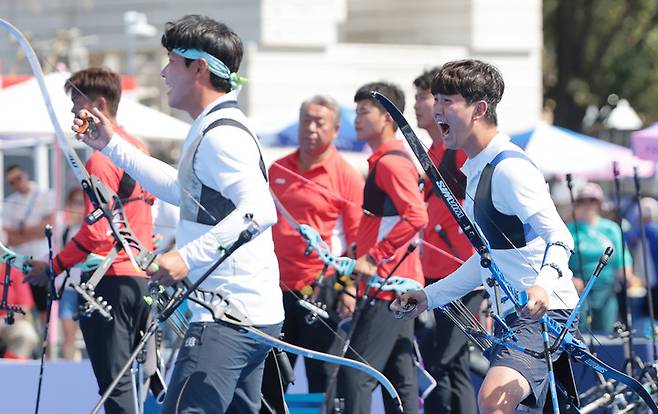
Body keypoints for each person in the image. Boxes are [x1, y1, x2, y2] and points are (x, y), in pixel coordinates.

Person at [72, 15, 283, 414]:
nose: (164, 71)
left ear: (198, 67)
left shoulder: (221, 135)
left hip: (228, 320)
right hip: (245, 316)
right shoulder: (215, 126)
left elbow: (259, 210)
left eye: (171, 61)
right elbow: (182, 191)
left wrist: (186, 257)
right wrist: (110, 144)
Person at [392, 59, 580, 414]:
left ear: (479, 109)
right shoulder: (476, 169)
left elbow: (560, 236)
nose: (438, 111)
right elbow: (486, 262)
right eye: (436, 100)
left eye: (448, 102)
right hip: (514, 315)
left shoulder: (509, 168)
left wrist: (541, 286)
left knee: (493, 399)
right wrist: (427, 296)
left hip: (545, 314)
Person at [27, 67, 155, 414]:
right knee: (132, 380)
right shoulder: (137, 147)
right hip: (141, 282)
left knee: (116, 384)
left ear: (98, 105)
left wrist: (53, 267)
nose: (72, 115)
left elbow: (98, 233)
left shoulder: (102, 159)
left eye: (76, 106)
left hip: (110, 283)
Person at [262, 95, 364, 406]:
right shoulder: (279, 168)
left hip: (322, 288)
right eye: (305, 120)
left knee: (323, 378)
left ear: (335, 130)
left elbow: (359, 240)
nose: (310, 128)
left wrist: (349, 290)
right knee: (271, 377)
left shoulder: (346, 175)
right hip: (275, 288)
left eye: (319, 122)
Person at [333, 81, 427, 414]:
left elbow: (417, 216)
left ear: (388, 117)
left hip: (389, 287)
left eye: (363, 111)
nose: (355, 119)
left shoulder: (391, 162)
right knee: (400, 378)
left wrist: (372, 258)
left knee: (356, 374)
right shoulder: (385, 160)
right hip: (394, 285)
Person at [413, 67, 478, 413]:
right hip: (436, 273)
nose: (422, 106)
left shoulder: (459, 153)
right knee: (449, 367)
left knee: (444, 362)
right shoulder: (433, 153)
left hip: (462, 273)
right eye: (427, 97)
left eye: (432, 98)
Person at [568, 182, 633, 333]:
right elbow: (560, 260)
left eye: (592, 200)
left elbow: (623, 257)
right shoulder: (570, 229)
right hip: (579, 291)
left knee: (606, 332)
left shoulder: (611, 228)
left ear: (599, 203)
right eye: (582, 200)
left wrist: (626, 274)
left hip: (606, 289)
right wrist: (570, 279)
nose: (587, 204)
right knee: (581, 333)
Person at [3, 165, 55, 326]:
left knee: (45, 307)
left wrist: (22, 232)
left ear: (26, 175)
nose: (17, 183)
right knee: (27, 306)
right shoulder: (10, 202)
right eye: (11, 182)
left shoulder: (46, 195)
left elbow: (49, 226)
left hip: (43, 259)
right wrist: (36, 230)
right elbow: (8, 236)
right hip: (22, 263)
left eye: (18, 178)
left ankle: (48, 346)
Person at [56, 187, 85, 360]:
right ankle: (70, 365)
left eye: (82, 203)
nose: (78, 208)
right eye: (75, 203)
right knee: (68, 335)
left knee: (91, 334)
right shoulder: (65, 230)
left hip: (87, 289)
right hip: (68, 287)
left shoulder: (93, 229)